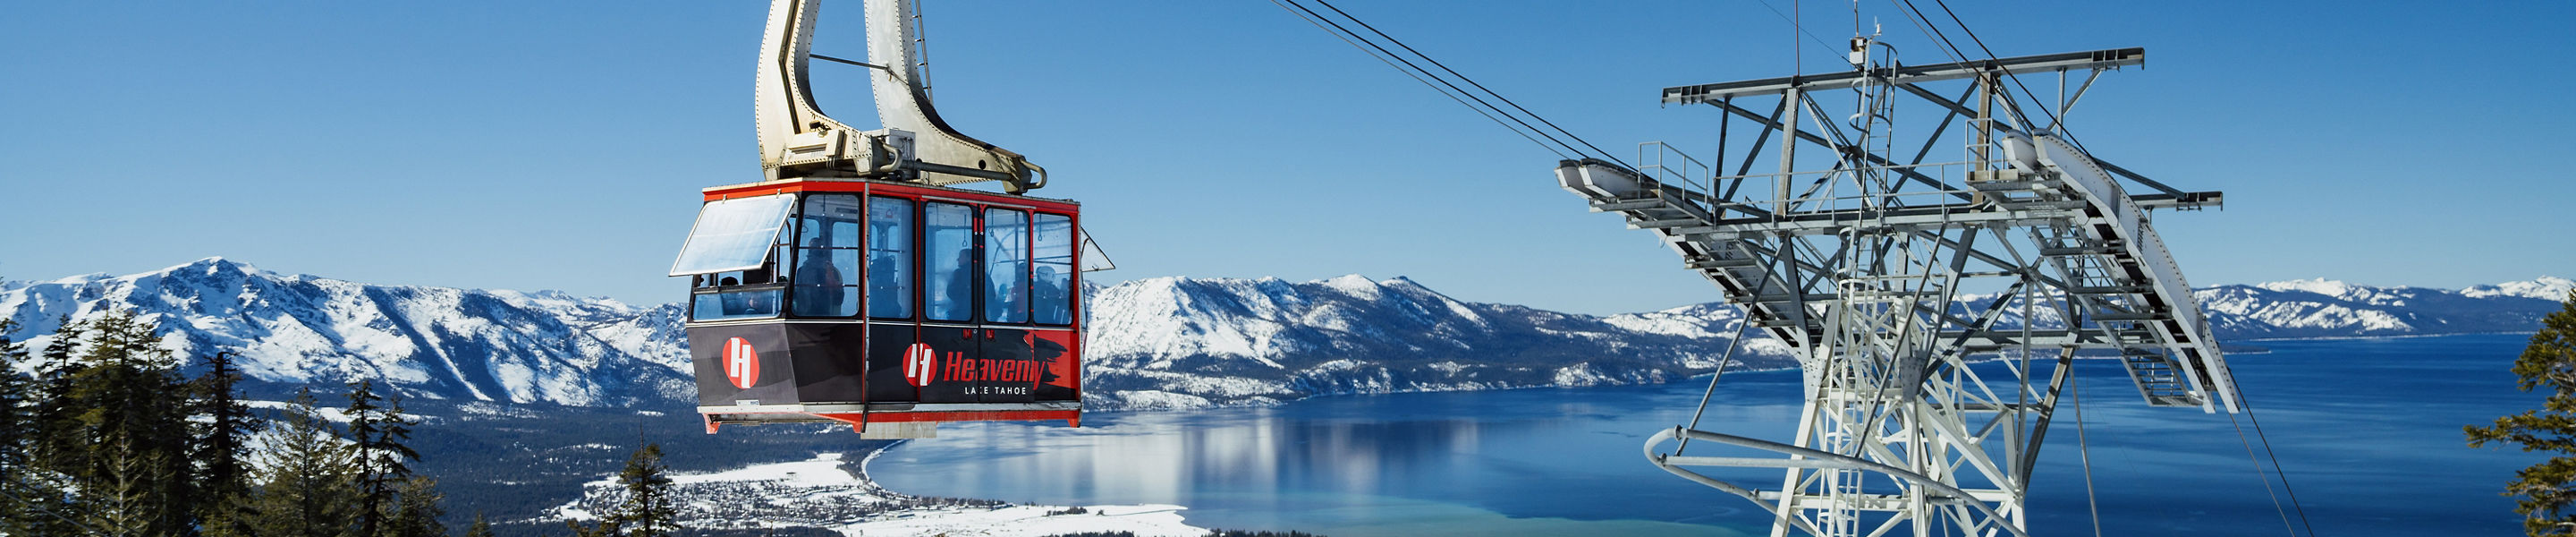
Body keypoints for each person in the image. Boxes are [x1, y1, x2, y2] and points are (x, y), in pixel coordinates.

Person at [792, 235, 846, 317]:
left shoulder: (800, 271)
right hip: (824, 319)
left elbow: (796, 297)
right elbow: (838, 300)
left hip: (801, 317)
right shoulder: (832, 271)